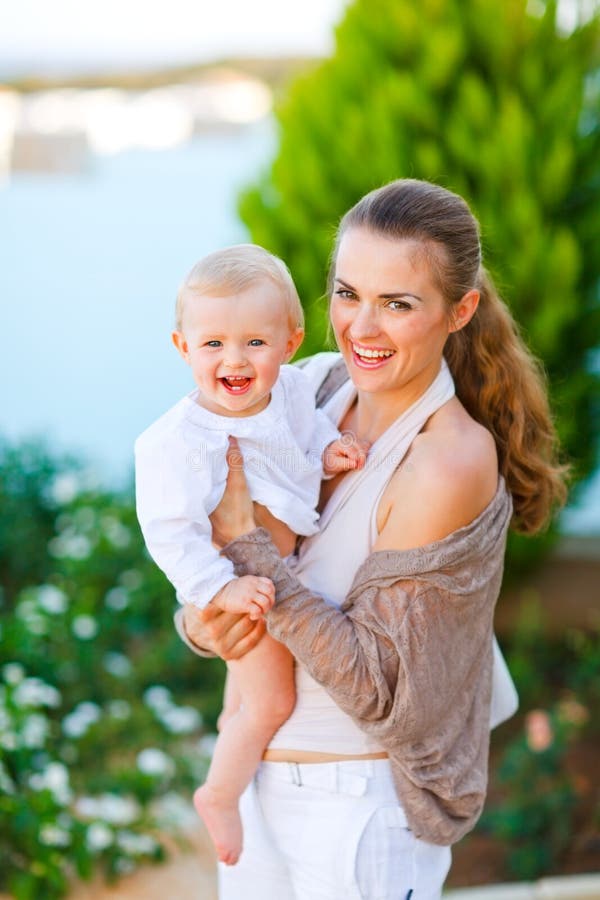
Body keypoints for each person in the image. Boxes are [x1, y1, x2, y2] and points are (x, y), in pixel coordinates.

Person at [178, 179, 569, 899]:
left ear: (461, 310)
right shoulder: (312, 389)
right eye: (347, 292)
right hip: (255, 787)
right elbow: (210, 546)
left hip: (357, 810)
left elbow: (386, 692)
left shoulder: (446, 460)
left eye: (398, 303)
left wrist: (253, 557)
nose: (361, 327)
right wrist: (207, 621)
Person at [135, 244, 367, 865]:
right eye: (213, 345)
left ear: (290, 342)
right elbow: (171, 533)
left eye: (254, 344)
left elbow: (301, 438)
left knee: (243, 698)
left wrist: (325, 455)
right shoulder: (176, 443)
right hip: (238, 583)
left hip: (269, 571)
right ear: (183, 347)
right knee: (272, 700)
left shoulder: (291, 391)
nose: (233, 359)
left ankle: (225, 737)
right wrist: (218, 589)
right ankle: (219, 793)